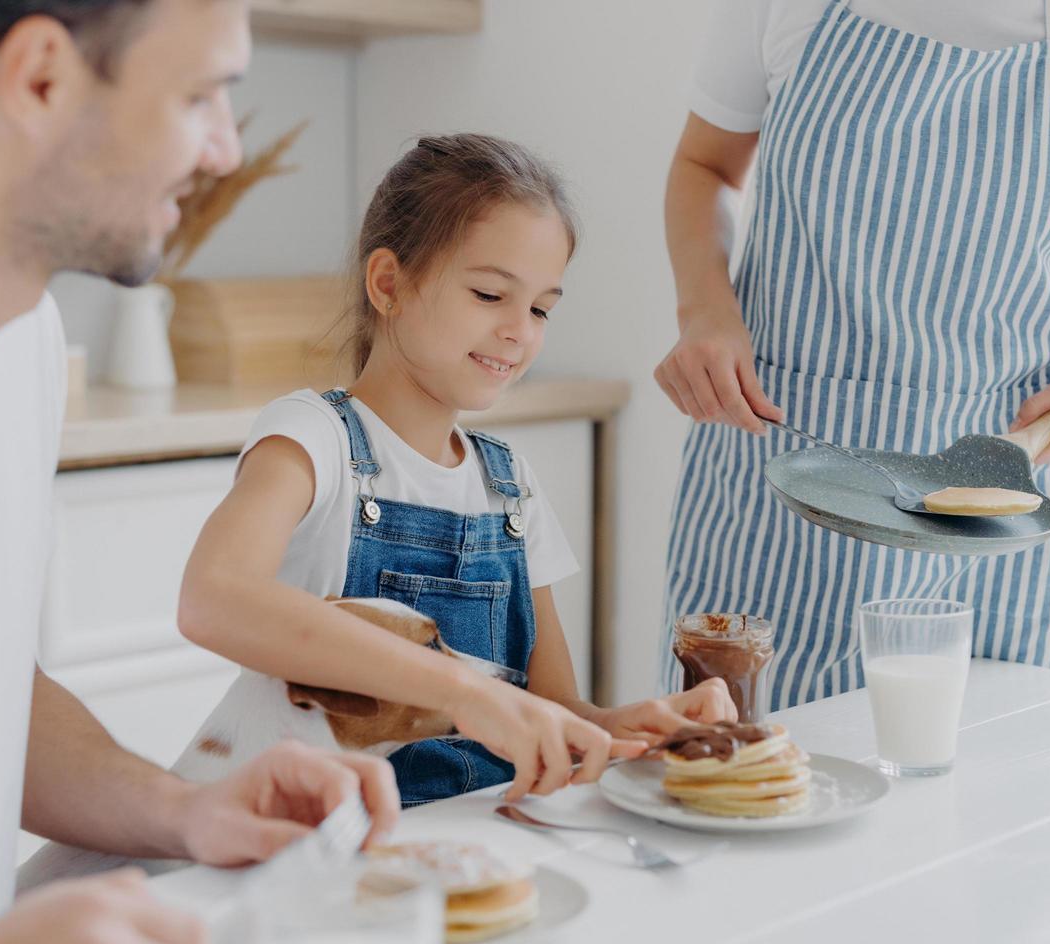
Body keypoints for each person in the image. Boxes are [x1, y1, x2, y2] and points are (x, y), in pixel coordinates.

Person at [0, 2, 400, 944]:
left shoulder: (20, 338)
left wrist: (187, 808)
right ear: (40, 77)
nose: (222, 149)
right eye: (200, 95)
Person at [656, 0, 1050, 708]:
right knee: (742, 786)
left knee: (1013, 798)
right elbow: (705, 163)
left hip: (1002, 507)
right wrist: (704, 309)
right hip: (775, 486)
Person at [174, 133, 737, 808]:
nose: (518, 331)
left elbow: (549, 708)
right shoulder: (312, 439)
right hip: (302, 838)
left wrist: (625, 728)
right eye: (489, 294)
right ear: (388, 284)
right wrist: (461, 691)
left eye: (539, 309)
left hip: (466, 850)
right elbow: (212, 598)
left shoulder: (509, 485)